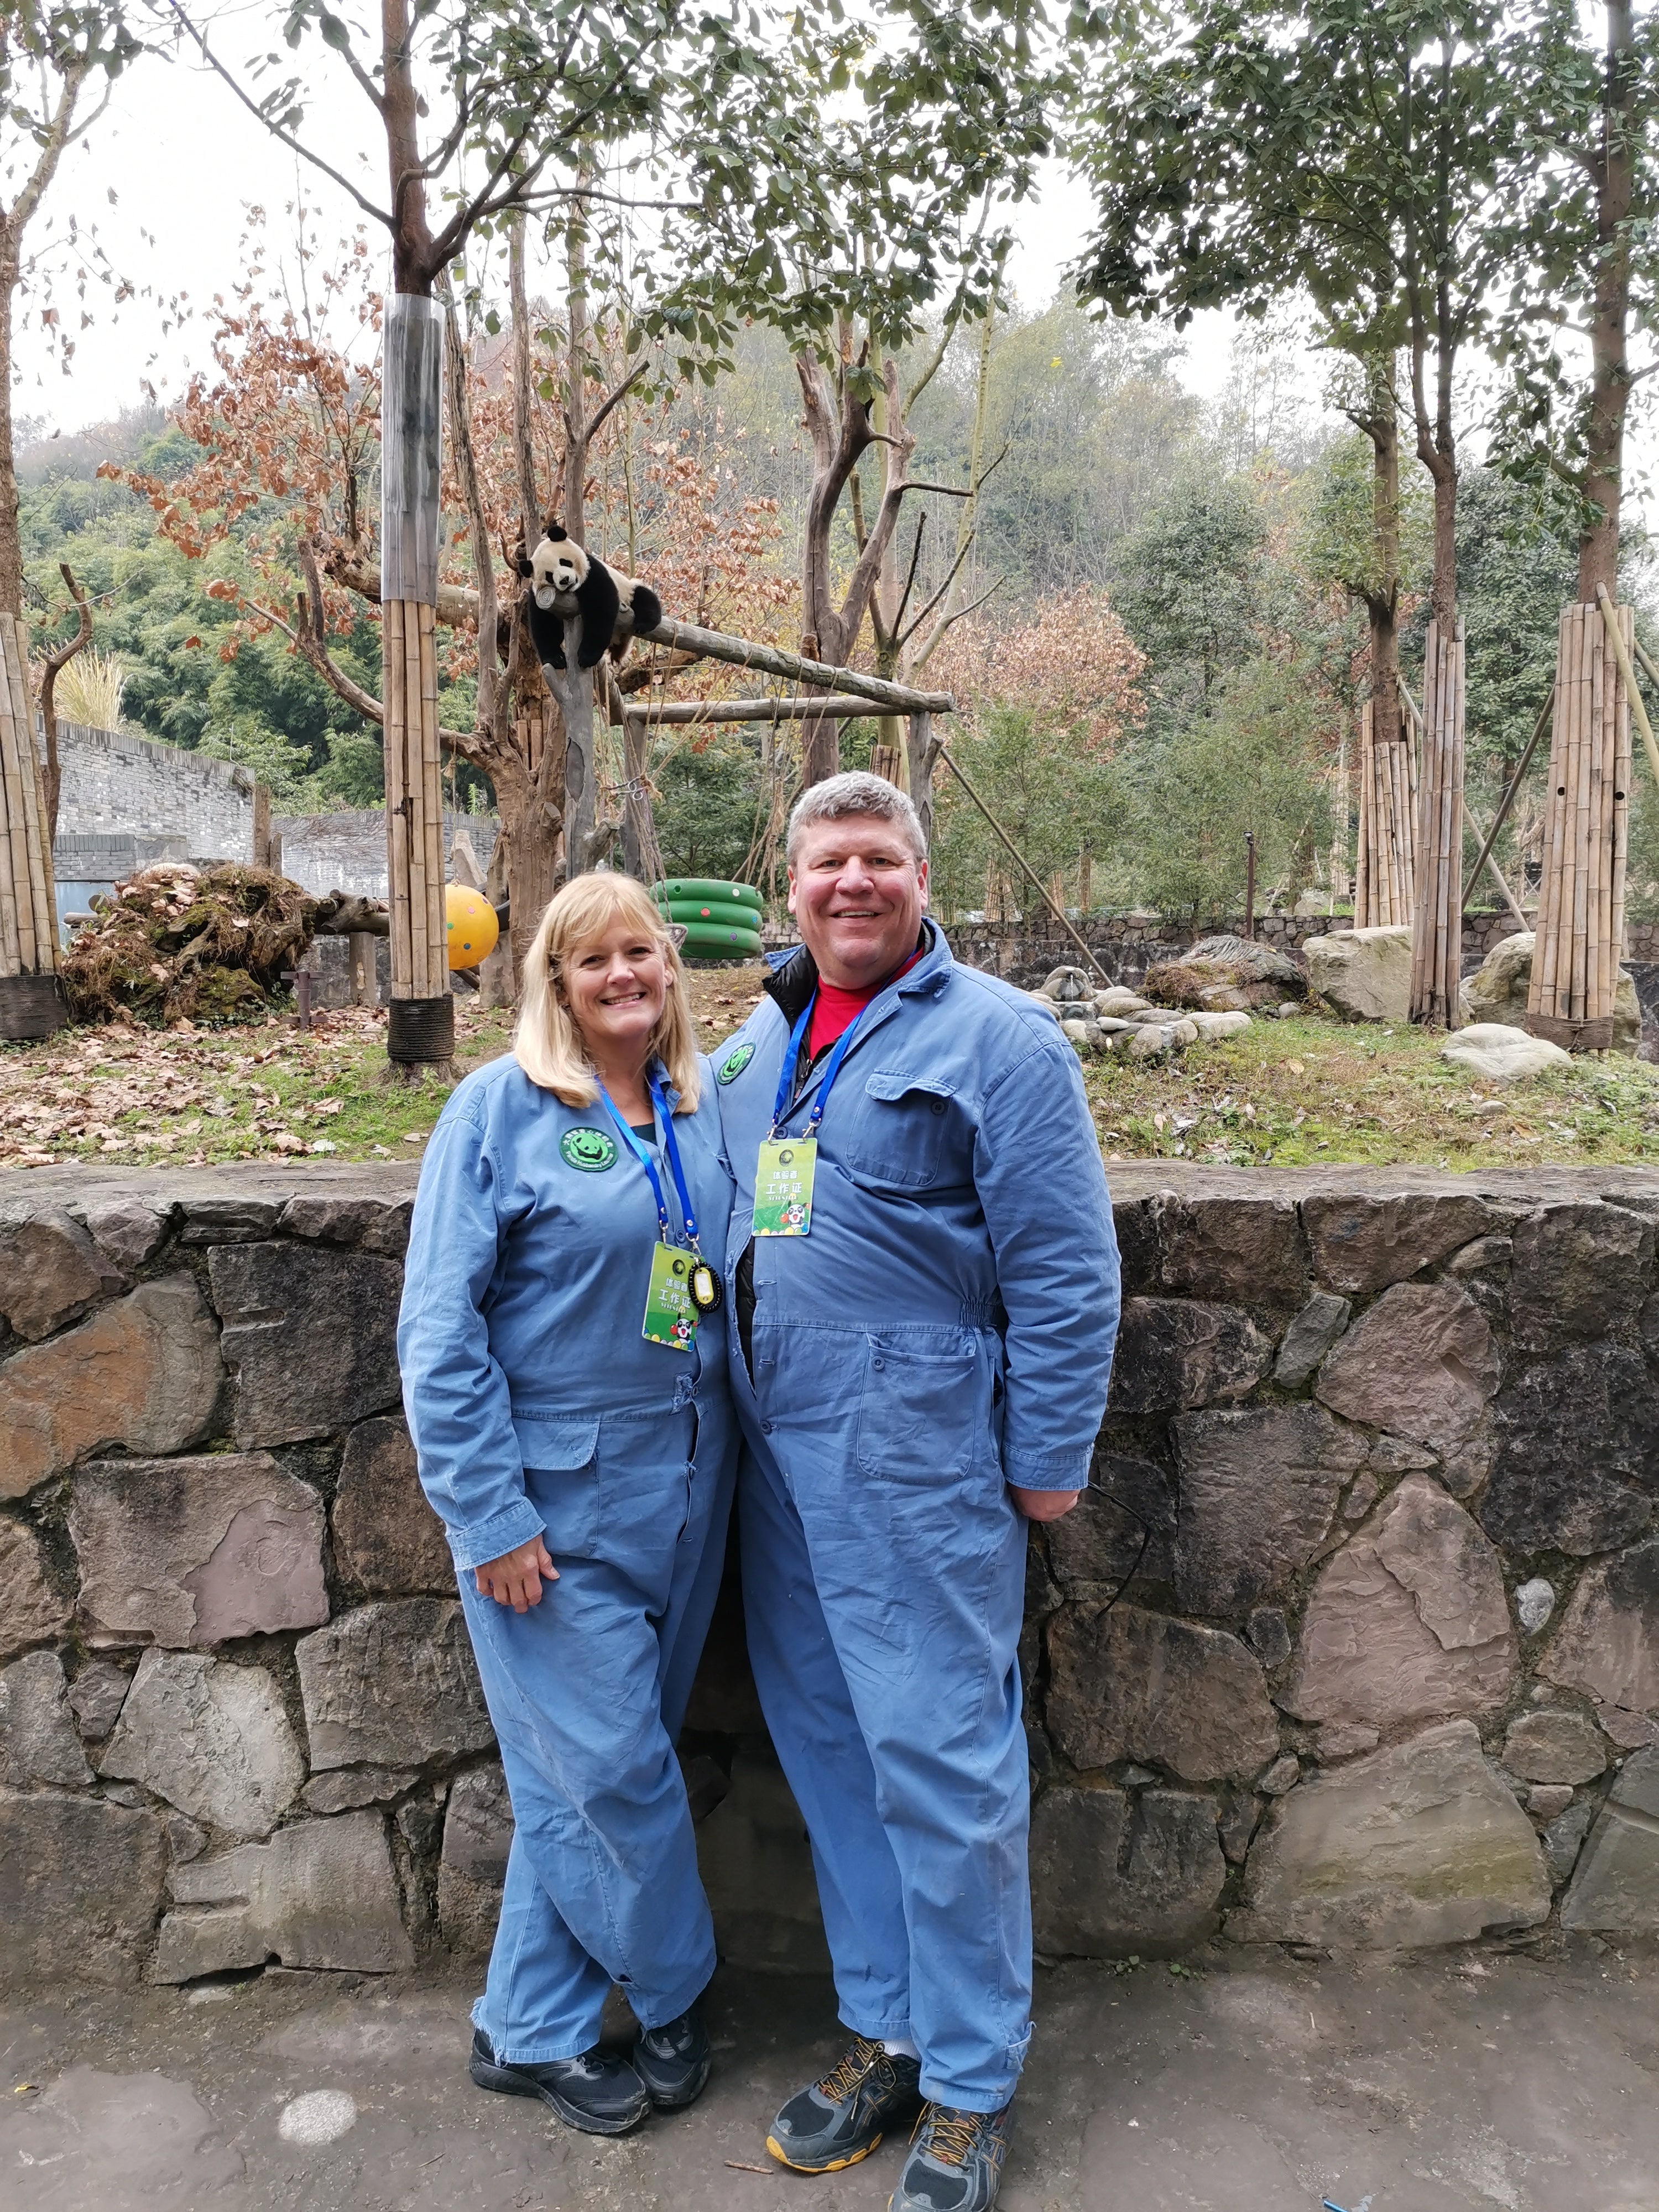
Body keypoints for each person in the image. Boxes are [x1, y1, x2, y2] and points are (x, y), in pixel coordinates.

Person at [711, 772, 1120, 2212]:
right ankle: (888, 2028)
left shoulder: (1002, 1044)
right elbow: (701, 1222)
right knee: (831, 1756)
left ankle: (969, 2083)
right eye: (828, 862)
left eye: (880, 859)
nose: (853, 884)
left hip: (919, 1463)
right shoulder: (759, 1044)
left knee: (943, 1770)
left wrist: (1048, 1462)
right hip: (777, 1465)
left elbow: (1068, 1277)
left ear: (924, 879)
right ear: (792, 884)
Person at [399, 873, 738, 2139]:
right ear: (554, 975)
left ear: (671, 967)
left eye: (642, 952)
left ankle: (526, 2026)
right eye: (593, 959)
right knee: (616, 1773)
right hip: (551, 1506)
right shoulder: (497, 1110)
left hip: (690, 1488)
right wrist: (488, 1516)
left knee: (581, 1777)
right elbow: (439, 1333)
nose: (623, 976)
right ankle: (676, 1989)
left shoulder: (698, 1107)